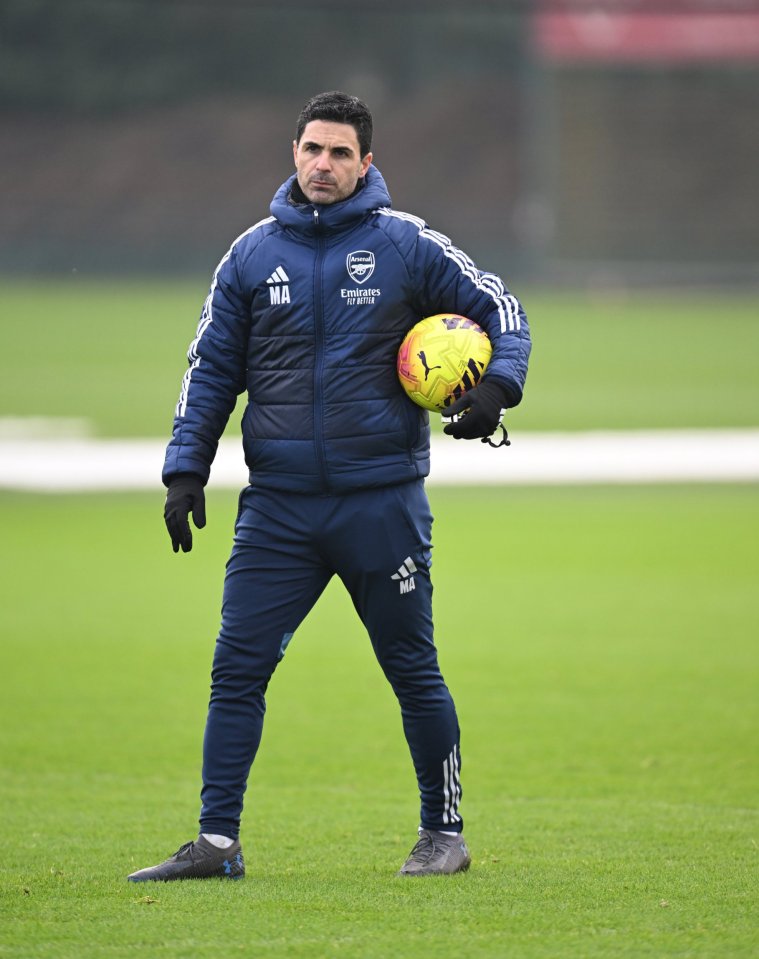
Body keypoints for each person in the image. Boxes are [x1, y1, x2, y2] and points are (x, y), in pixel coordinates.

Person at [127, 91, 530, 882]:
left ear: (366, 163)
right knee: (236, 669)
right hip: (277, 508)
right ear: (294, 152)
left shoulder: (405, 244)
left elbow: (501, 309)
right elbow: (210, 369)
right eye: (312, 148)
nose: (323, 163)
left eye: (340, 152)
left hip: (380, 501)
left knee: (411, 669)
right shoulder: (249, 256)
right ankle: (216, 842)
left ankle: (443, 833)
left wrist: (495, 389)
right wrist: (185, 469)